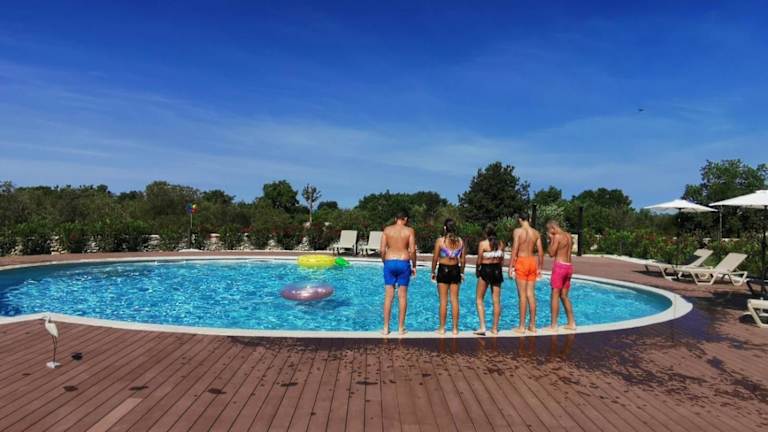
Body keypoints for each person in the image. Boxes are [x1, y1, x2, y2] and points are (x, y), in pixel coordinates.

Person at [380, 210, 417, 335]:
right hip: (403, 262)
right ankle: (401, 328)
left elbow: (382, 250)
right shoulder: (409, 231)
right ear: (405, 219)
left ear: (396, 218)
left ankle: (386, 328)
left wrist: (385, 261)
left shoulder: (387, 230)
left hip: (389, 261)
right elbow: (412, 250)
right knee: (402, 296)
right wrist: (414, 265)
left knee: (388, 296)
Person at [508, 212, 544, 334]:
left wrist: (511, 266)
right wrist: (540, 267)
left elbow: (515, 248)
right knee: (531, 294)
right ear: (529, 219)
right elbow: (540, 252)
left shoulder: (518, 231)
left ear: (520, 219)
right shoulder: (536, 233)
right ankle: (532, 325)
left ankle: (522, 327)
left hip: (522, 261)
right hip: (532, 262)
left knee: (522, 296)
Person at [431, 218, 466, 335]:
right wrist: (462, 272)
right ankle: (455, 329)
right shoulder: (460, 241)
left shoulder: (440, 241)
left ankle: (442, 328)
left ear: (445, 228)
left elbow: (435, 258)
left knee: (443, 301)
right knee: (455, 300)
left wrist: (433, 271)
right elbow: (463, 260)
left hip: (443, 270)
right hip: (455, 270)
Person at [474, 224, 505, 336]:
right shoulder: (501, 243)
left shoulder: (483, 244)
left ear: (486, 233)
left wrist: (477, 270)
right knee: (496, 301)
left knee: (479, 298)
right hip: (497, 270)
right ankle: (495, 329)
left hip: (486, 269)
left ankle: (483, 327)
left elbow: (479, 260)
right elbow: (502, 260)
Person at [546, 220, 576, 330]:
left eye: (549, 230)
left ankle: (554, 325)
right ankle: (571, 323)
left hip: (560, 267)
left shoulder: (557, 237)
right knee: (564, 296)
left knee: (554, 295)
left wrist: (550, 240)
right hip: (569, 267)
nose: (549, 233)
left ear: (553, 228)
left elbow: (551, 253)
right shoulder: (568, 236)